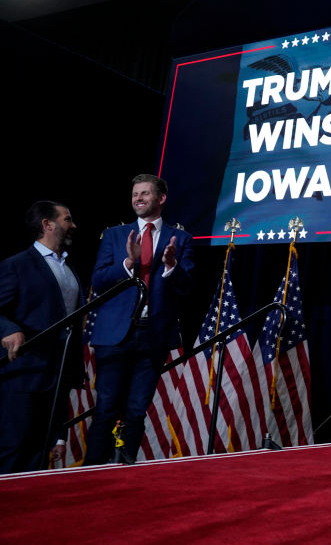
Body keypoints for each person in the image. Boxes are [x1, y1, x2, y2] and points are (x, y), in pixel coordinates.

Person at [84, 174, 194, 465]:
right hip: (114, 336)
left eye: (145, 193)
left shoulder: (180, 239)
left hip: (153, 336)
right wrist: (129, 263)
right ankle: (90, 472)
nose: (139, 199)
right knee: (106, 407)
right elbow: (98, 280)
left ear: (161, 198)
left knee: (135, 410)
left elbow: (187, 287)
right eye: (135, 194)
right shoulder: (115, 236)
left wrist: (171, 266)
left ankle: (124, 472)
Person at [0, 201, 84, 473]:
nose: (72, 225)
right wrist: (9, 329)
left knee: (39, 454)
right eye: (67, 219)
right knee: (14, 450)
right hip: (22, 377)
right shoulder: (16, 265)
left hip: (56, 377)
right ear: (48, 225)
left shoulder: (69, 269)